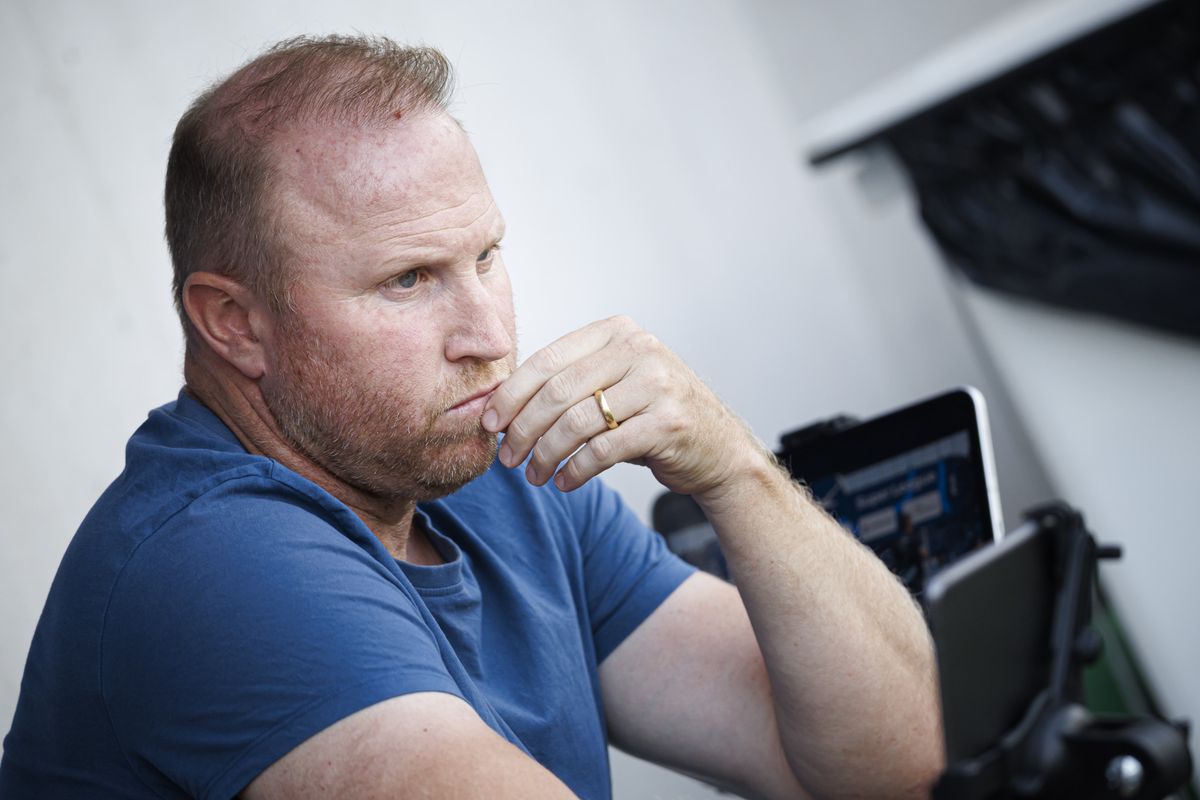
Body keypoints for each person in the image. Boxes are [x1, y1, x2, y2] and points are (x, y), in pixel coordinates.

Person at [0, 35, 943, 800]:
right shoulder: (211, 560)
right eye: (408, 280)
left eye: (486, 256)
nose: (488, 334)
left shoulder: (485, 468)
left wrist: (732, 466)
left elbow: (894, 763)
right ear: (234, 323)